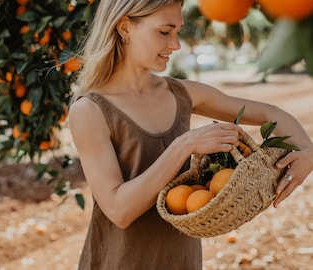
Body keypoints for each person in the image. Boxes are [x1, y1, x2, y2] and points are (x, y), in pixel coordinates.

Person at [68, 0, 313, 269]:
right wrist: (182, 146)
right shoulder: (90, 110)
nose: (175, 45)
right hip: (119, 261)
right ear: (125, 28)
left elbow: (271, 114)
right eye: (164, 31)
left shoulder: (183, 94)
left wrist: (307, 154)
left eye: (178, 32)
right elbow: (119, 210)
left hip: (182, 260)